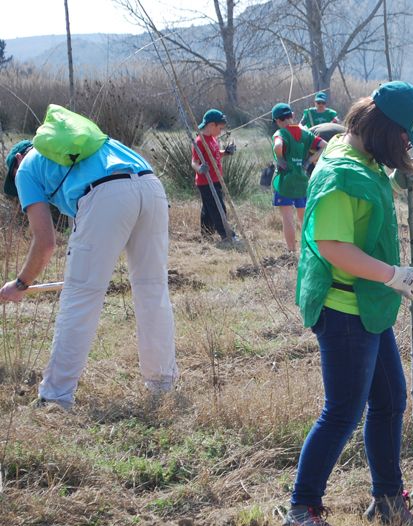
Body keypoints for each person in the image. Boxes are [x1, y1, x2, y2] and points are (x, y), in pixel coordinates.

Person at [284, 81, 413, 526]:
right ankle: (301, 507)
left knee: (389, 400)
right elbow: (332, 246)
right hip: (344, 307)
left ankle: (387, 498)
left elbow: (367, 191)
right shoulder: (339, 175)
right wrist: (393, 274)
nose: (406, 148)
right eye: (404, 140)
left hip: (368, 305)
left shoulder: (360, 157)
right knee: (343, 411)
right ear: (385, 131)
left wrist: (397, 175)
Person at [0, 105, 178, 412]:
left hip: (106, 195)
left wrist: (20, 283)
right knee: (152, 290)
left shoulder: (26, 166)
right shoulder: (86, 146)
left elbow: (45, 242)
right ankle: (162, 384)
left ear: (16, 160)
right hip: (151, 186)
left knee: (80, 296)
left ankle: (54, 397)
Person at [271, 103, 327, 254]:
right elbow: (324, 145)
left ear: (277, 120)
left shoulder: (280, 133)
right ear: (292, 115)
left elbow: (277, 146)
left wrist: (281, 160)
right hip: (302, 181)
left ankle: (291, 252)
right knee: (304, 218)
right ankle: (309, 249)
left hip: (285, 183)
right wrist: (308, 162)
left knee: (288, 218)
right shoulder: (306, 134)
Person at [191, 108, 238, 244]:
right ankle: (227, 236)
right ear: (212, 125)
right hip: (206, 182)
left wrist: (227, 152)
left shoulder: (212, 139)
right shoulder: (200, 141)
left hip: (217, 179)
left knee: (208, 208)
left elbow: (216, 153)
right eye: (220, 128)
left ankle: (206, 234)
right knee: (218, 208)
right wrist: (200, 168)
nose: (221, 131)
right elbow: (194, 162)